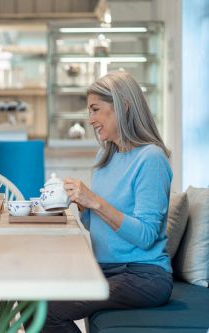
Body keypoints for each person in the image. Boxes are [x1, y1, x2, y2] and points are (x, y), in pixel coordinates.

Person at [35, 71, 173, 332]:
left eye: (95, 110)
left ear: (123, 106)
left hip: (143, 276)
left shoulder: (151, 159)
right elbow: (99, 226)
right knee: (30, 296)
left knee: (45, 309)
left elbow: (146, 235)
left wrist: (95, 201)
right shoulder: (105, 157)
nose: (90, 120)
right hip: (105, 269)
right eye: (89, 112)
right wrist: (81, 205)